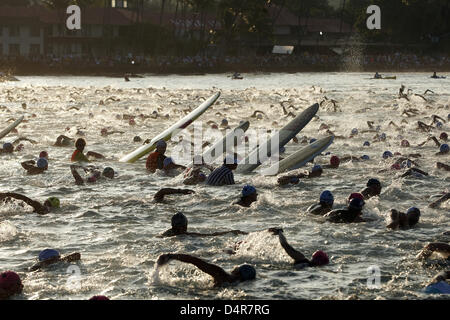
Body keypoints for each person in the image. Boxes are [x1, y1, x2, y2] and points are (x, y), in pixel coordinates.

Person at [156, 253, 256, 287]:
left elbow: (195, 261)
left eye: (236, 268)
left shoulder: (221, 274)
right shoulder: (236, 284)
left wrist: (171, 256)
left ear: (238, 272)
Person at [158, 212, 248, 238]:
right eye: (180, 227)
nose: (182, 229)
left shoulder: (164, 235)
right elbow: (209, 235)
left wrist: (230, 232)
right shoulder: (186, 234)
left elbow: (211, 235)